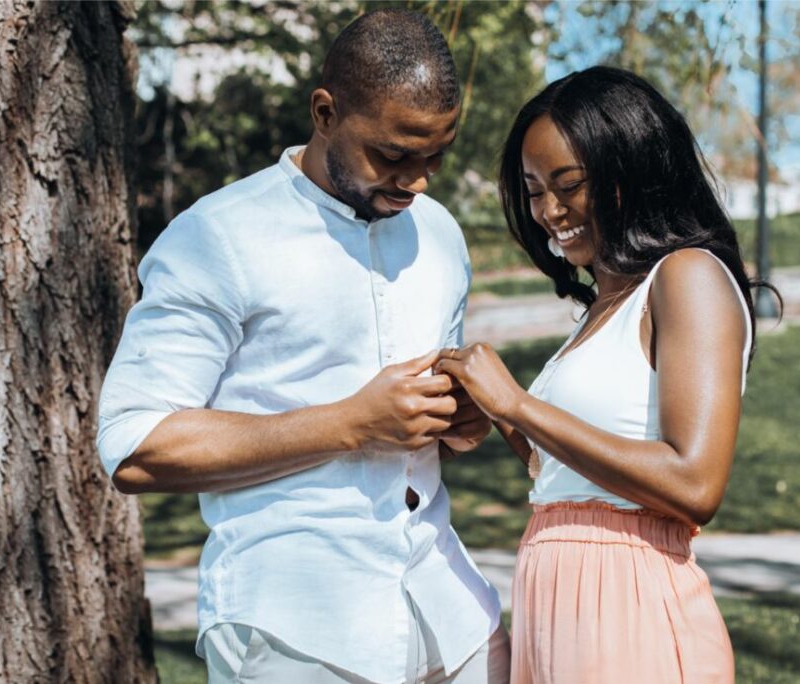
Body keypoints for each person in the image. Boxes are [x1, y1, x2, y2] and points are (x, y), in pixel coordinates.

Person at [96, 9, 508, 684]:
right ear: (325, 112)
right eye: (395, 155)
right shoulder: (219, 237)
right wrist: (349, 424)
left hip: (453, 616)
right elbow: (134, 446)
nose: (418, 180)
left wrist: (461, 422)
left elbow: (428, 428)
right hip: (298, 632)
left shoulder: (440, 234)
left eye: (436, 155)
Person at [433, 66, 778, 683]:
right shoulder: (602, 306)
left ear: (631, 173)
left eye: (568, 185)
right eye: (535, 188)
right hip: (554, 604)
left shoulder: (687, 277)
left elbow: (695, 483)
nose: (548, 211)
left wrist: (516, 405)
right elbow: (569, 478)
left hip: (631, 608)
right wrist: (493, 415)